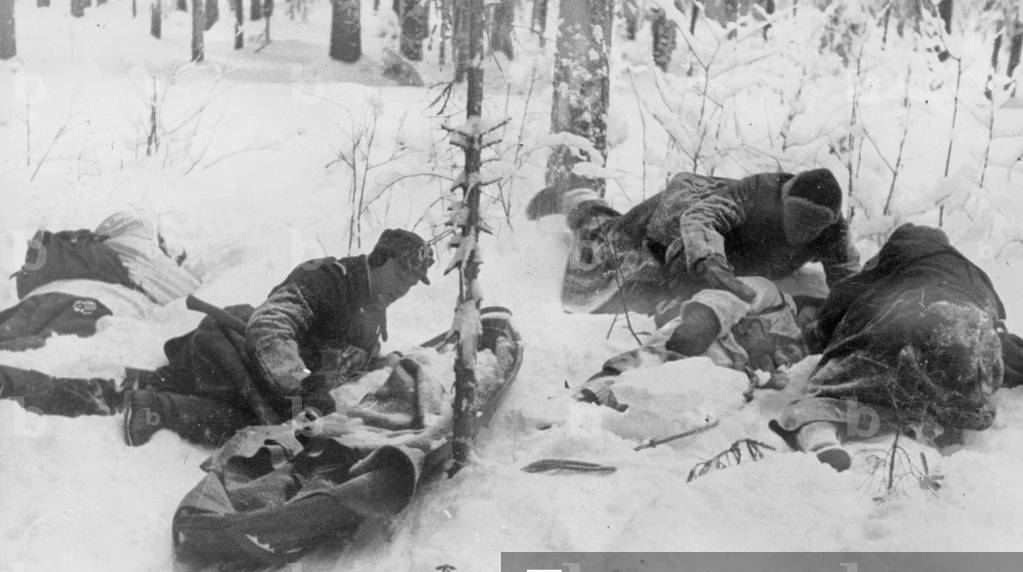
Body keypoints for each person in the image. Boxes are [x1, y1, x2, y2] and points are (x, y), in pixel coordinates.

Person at [0, 229, 435, 448]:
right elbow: (272, 326)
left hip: (252, 378)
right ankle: (158, 410)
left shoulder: (371, 310)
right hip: (234, 357)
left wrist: (386, 365)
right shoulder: (327, 281)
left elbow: (349, 363)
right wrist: (303, 385)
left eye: (413, 281)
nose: (405, 286)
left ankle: (21, 385)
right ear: (378, 261)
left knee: (127, 391)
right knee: (249, 432)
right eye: (402, 272)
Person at [770, 223, 1023, 472]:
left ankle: (820, 433)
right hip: (970, 334)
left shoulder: (897, 257)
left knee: (834, 390)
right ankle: (928, 423)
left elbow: (841, 298)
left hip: (905, 322)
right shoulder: (974, 274)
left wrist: (815, 337)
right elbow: (1001, 339)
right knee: (937, 397)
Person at [528, 168, 860, 315]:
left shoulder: (835, 235)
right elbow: (702, 218)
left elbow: (848, 284)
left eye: (816, 224)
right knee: (606, 248)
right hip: (683, 215)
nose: (804, 229)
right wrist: (710, 261)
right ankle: (577, 198)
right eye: (798, 217)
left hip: (731, 258)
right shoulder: (758, 192)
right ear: (783, 201)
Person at [580, 276, 813, 408]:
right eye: (813, 315)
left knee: (657, 396)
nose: (812, 323)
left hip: (722, 369)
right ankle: (583, 400)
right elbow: (724, 296)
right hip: (701, 338)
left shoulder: (801, 347)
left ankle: (616, 414)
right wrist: (704, 321)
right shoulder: (772, 294)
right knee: (649, 362)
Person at [0, 210, 200, 351]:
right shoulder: (139, 244)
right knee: (29, 354)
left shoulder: (88, 251)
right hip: (88, 305)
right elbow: (191, 294)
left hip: (43, 298)